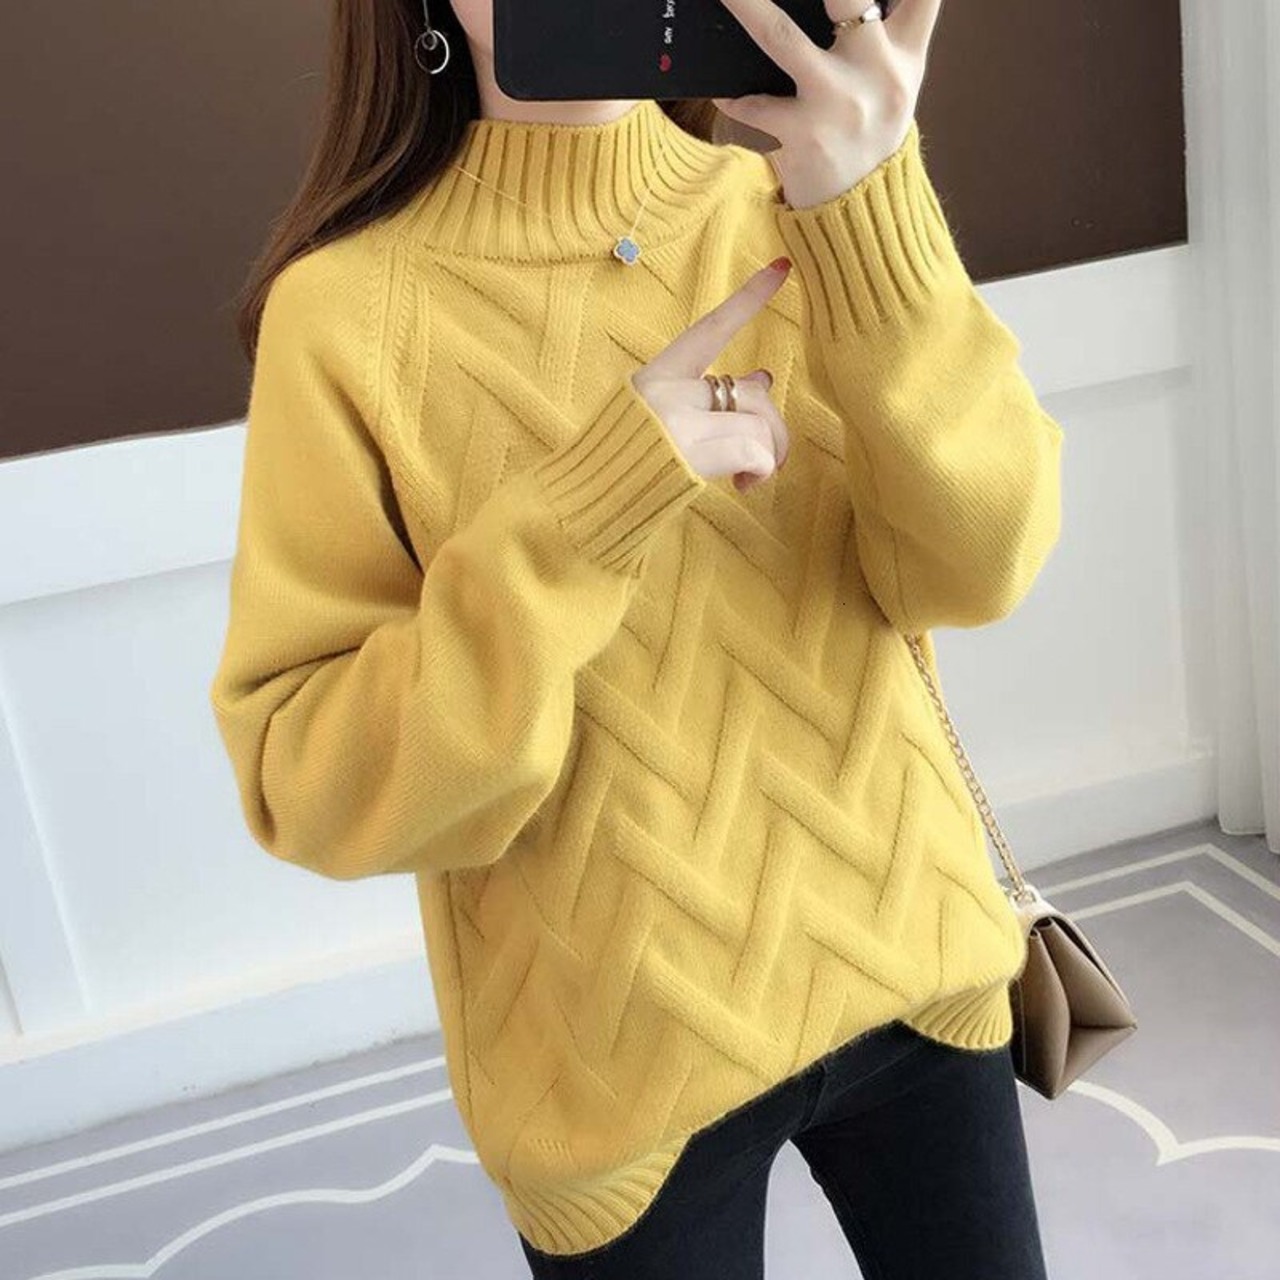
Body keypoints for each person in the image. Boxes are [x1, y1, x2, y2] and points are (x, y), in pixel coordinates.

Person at [210, 0, 1061, 1275]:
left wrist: (875, 206)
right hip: (611, 1073)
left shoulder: (807, 199)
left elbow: (979, 565)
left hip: (917, 963)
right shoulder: (343, 315)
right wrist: (582, 512)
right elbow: (309, 776)